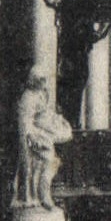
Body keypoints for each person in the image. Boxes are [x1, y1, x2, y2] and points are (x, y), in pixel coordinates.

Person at [13, 71, 72, 210]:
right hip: (34, 138)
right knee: (47, 161)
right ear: (34, 80)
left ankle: (43, 194)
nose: (43, 83)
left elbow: (45, 113)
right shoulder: (28, 97)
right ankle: (39, 195)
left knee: (51, 162)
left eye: (44, 79)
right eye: (41, 80)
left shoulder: (40, 94)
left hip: (43, 134)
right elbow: (25, 123)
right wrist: (33, 137)